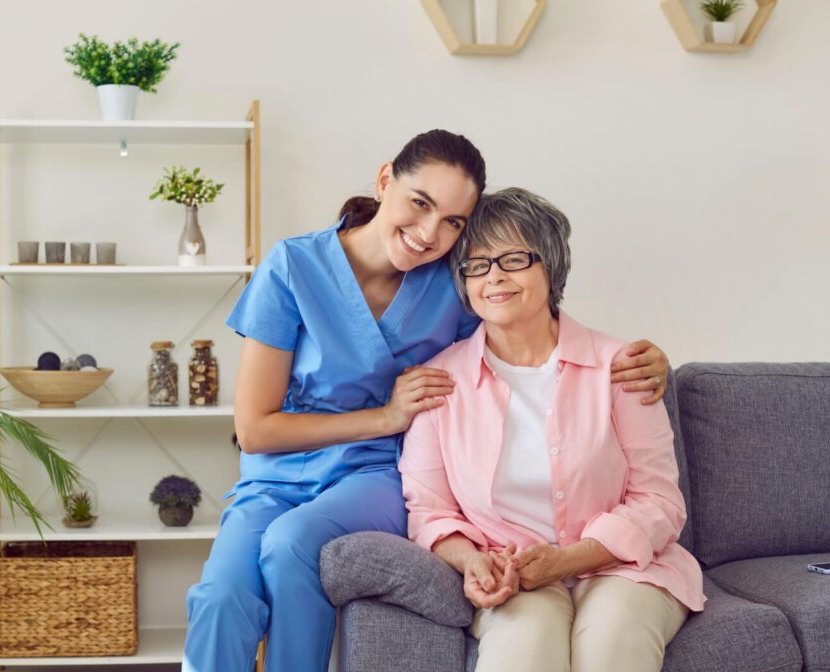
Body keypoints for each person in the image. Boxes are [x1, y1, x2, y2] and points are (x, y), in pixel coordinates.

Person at [183, 132, 671, 672]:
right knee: (220, 597)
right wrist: (386, 416)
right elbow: (254, 430)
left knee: (290, 544)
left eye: (453, 223)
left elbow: (525, 333)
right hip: (275, 472)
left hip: (373, 473)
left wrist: (645, 361)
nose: (429, 234)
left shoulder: (454, 280)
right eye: (420, 203)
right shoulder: (293, 267)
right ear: (386, 179)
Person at [399, 187, 705, 672]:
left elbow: (659, 501)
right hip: (512, 574)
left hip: (625, 567)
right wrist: (470, 561)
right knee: (523, 650)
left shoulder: (621, 368)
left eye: (513, 258)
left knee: (610, 642)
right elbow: (429, 510)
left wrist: (568, 561)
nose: (493, 276)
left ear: (551, 266)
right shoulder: (440, 383)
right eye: (476, 264)